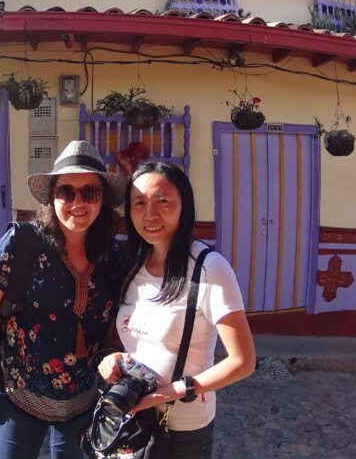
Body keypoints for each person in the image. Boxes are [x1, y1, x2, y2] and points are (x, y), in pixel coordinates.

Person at [0, 140, 126, 459]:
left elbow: (113, 328)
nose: (77, 202)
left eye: (89, 193)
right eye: (66, 191)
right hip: (19, 399)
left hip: (83, 403)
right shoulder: (23, 242)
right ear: (53, 197)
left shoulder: (113, 257)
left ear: (103, 200)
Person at [98, 161, 255, 459]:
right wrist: (112, 359)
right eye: (139, 203)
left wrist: (169, 392)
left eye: (163, 201)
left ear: (185, 206)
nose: (150, 214)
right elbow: (131, 337)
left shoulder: (209, 269)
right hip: (131, 418)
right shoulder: (132, 265)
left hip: (182, 427)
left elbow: (243, 361)